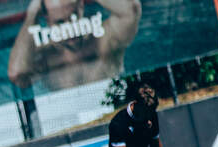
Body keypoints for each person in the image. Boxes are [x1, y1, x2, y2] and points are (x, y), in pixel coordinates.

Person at [8, 0, 141, 91]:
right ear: (47, 20)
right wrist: (32, 15)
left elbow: (131, 11)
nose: (69, 28)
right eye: (60, 22)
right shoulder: (46, 57)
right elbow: (17, 75)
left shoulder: (104, 38)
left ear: (81, 7)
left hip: (118, 113)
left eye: (73, 17)